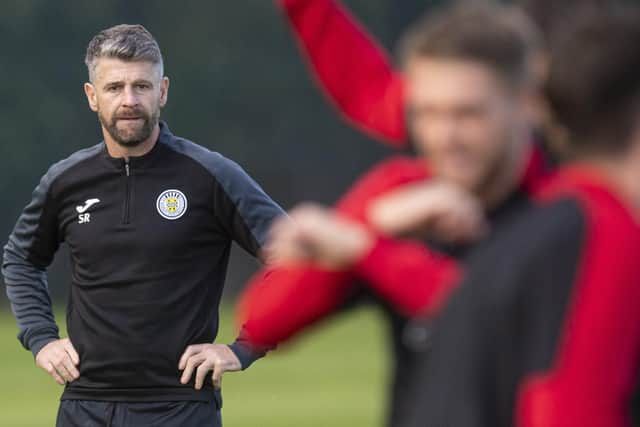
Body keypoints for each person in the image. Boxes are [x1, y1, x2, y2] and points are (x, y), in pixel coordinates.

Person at [236, 4, 550, 426]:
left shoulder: (568, 204)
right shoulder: (402, 197)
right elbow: (264, 320)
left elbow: (500, 325)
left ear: (526, 105)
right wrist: (371, 225)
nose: (444, 137)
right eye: (427, 113)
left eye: (468, 114)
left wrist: (368, 247)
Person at [2, 24, 284, 426]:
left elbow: (295, 256)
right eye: (114, 87)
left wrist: (245, 347)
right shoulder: (65, 181)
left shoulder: (210, 174)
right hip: (84, 405)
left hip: (181, 407)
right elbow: (20, 259)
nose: (129, 100)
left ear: (163, 91)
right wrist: (41, 338)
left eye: (142, 86)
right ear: (91, 96)